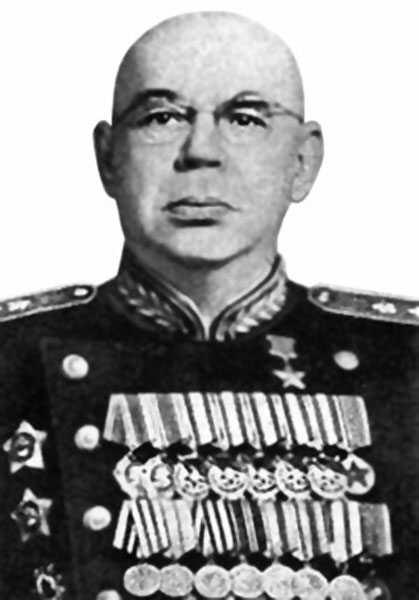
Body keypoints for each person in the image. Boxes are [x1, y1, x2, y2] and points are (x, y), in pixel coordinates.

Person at [0, 11, 418, 600]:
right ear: (108, 158)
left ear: (302, 162)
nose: (200, 151)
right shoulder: (10, 356)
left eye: (244, 119)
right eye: (161, 118)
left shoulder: (404, 357)